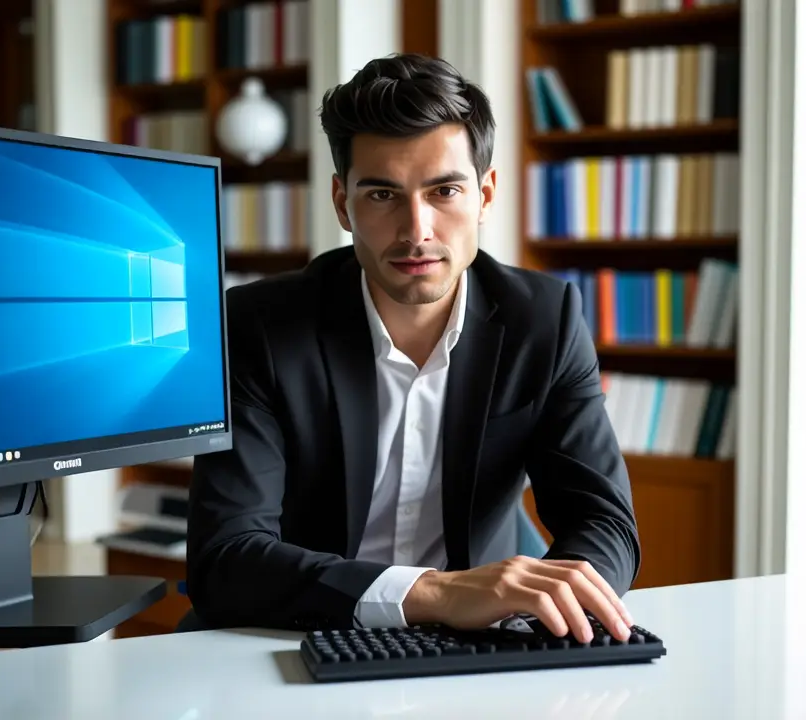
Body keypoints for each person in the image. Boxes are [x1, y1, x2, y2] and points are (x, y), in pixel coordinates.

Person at [186, 53, 641, 644]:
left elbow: (603, 520)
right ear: (342, 203)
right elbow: (226, 557)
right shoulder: (259, 326)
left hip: (480, 641)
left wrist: (543, 612)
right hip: (301, 634)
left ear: (484, 195)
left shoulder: (545, 321)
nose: (416, 229)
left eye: (445, 190)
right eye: (381, 195)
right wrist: (439, 594)